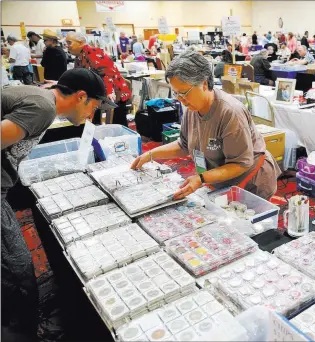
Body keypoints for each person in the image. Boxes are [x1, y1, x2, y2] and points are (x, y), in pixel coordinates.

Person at [1, 68, 114, 341]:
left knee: (16, 265)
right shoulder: (43, 107)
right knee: (16, 270)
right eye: (94, 107)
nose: (91, 116)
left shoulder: (42, 99)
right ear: (81, 96)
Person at [130, 51, 281, 199]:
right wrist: (150, 155)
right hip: (219, 178)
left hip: (251, 180)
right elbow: (184, 145)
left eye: (184, 92)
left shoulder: (229, 112)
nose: (180, 99)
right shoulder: (192, 107)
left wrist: (201, 178)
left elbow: (240, 164)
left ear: (203, 83)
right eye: (176, 93)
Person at [66, 32, 132, 126]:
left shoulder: (93, 52)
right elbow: (77, 75)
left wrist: (109, 91)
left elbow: (107, 72)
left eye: (69, 42)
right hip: (98, 95)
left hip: (114, 93)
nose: (67, 46)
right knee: (96, 123)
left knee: (118, 123)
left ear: (80, 43)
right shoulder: (79, 57)